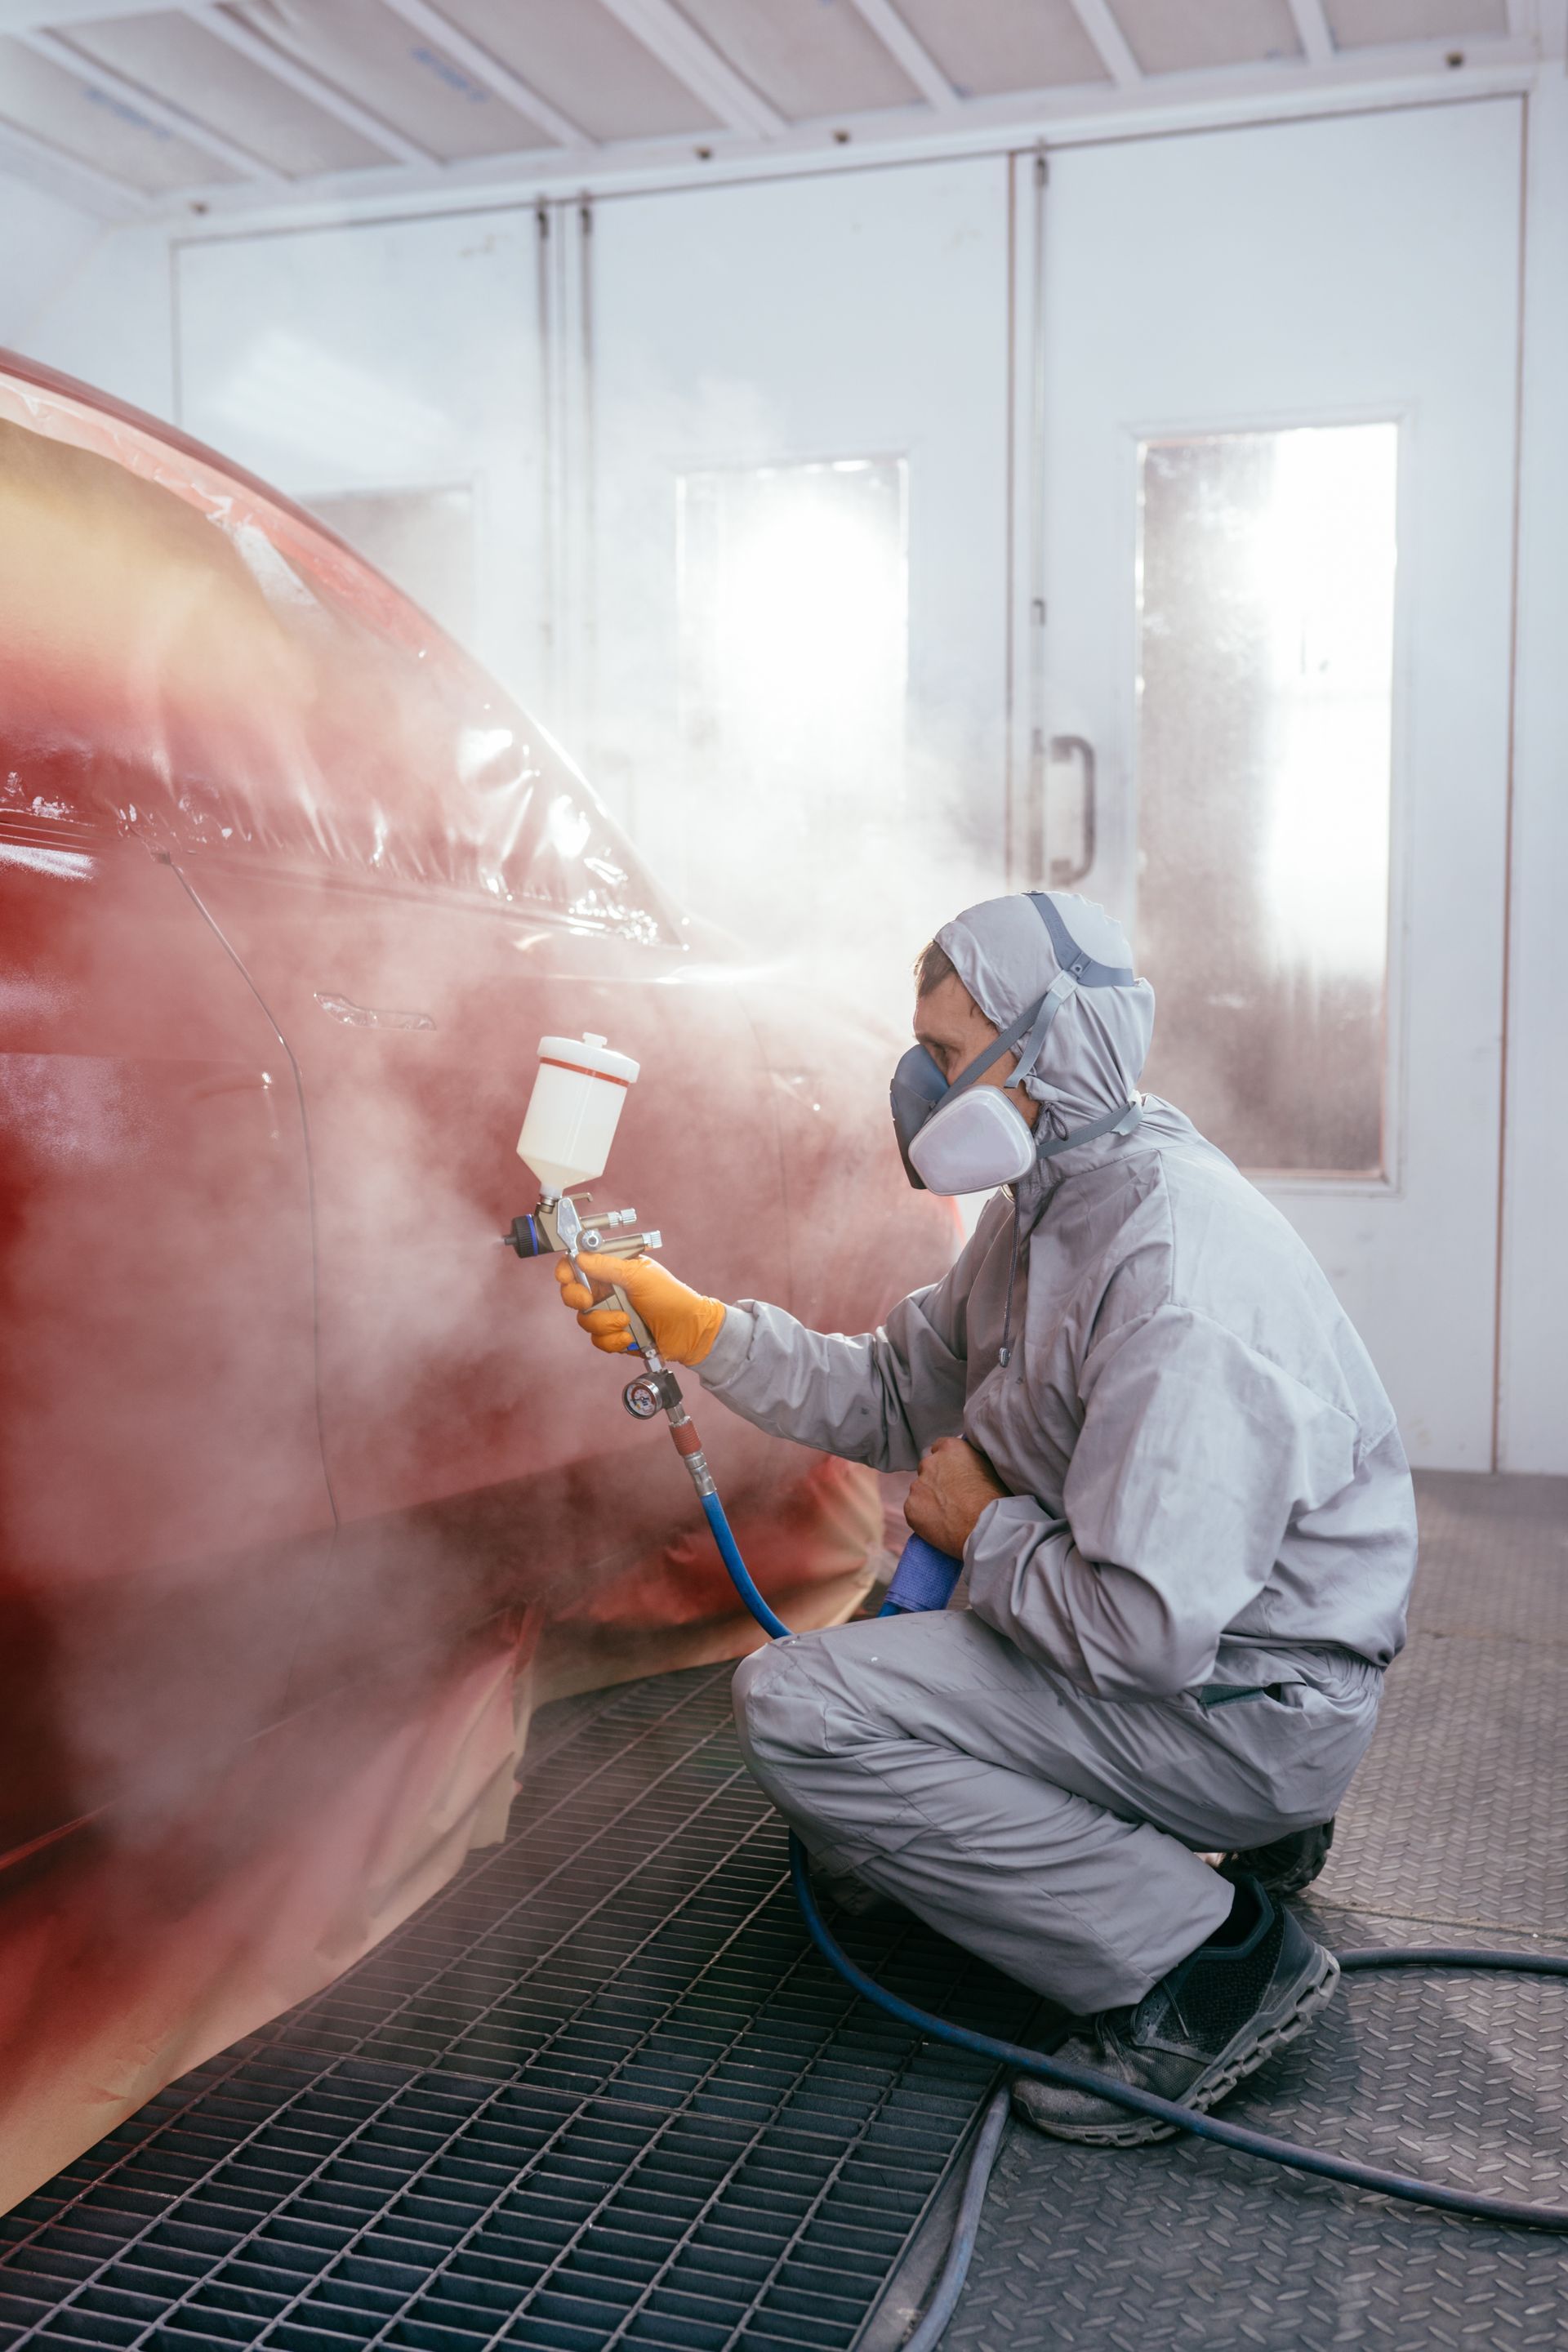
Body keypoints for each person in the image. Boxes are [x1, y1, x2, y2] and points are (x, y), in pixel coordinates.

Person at [555, 890, 1417, 2145]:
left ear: (1053, 1048)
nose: (919, 1086)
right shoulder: (1054, 1208)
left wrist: (976, 1526)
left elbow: (1141, 1629)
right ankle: (1185, 1835)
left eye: (949, 1057)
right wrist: (701, 1329)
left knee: (802, 1708)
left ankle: (1207, 1971)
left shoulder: (1173, 1272)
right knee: (868, 1847)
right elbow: (903, 1389)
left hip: (1244, 1694)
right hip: (1206, 1658)